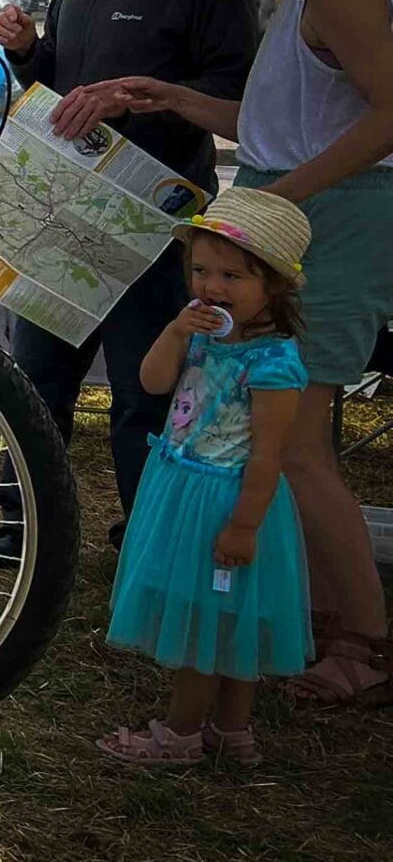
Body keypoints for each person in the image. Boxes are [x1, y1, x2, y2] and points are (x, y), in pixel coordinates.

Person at [103, 0, 391, 708]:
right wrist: (175, 95)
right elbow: (279, 122)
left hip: (325, 223)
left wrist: (280, 207)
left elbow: (388, 115)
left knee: (298, 447)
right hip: (301, 213)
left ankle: (367, 644)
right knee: (299, 438)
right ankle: (315, 619)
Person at [0, 0, 260, 563]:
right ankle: (24, 528)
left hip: (154, 218)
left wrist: (147, 97)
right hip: (64, 206)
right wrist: (26, 52)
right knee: (36, 377)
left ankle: (149, 538)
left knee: (146, 388)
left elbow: (241, 100)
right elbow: (63, 88)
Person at [96, 189, 311, 764]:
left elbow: (268, 457)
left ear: (275, 286)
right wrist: (174, 332)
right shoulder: (204, 336)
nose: (212, 287)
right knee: (227, 622)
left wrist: (243, 526)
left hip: (227, 500)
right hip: (183, 486)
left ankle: (179, 736)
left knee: (208, 626)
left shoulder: (273, 364)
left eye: (232, 276)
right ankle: (232, 733)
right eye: (200, 271)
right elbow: (152, 382)